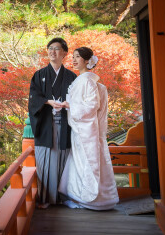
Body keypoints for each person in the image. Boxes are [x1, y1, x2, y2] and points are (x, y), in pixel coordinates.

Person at [58, 46, 119, 210]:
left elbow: (92, 105)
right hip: (82, 128)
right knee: (83, 162)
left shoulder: (86, 81)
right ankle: (87, 197)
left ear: (87, 61)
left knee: (86, 162)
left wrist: (69, 106)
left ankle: (90, 198)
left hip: (85, 130)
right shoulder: (85, 80)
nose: (74, 60)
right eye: (73, 57)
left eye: (78, 57)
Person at [28, 37, 77, 208]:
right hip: (46, 125)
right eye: (50, 48)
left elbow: (78, 101)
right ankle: (45, 198)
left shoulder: (71, 76)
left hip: (65, 125)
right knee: (44, 160)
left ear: (64, 53)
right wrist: (48, 102)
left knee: (63, 159)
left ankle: (62, 197)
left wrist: (68, 105)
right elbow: (33, 98)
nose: (52, 51)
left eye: (56, 49)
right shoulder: (39, 75)